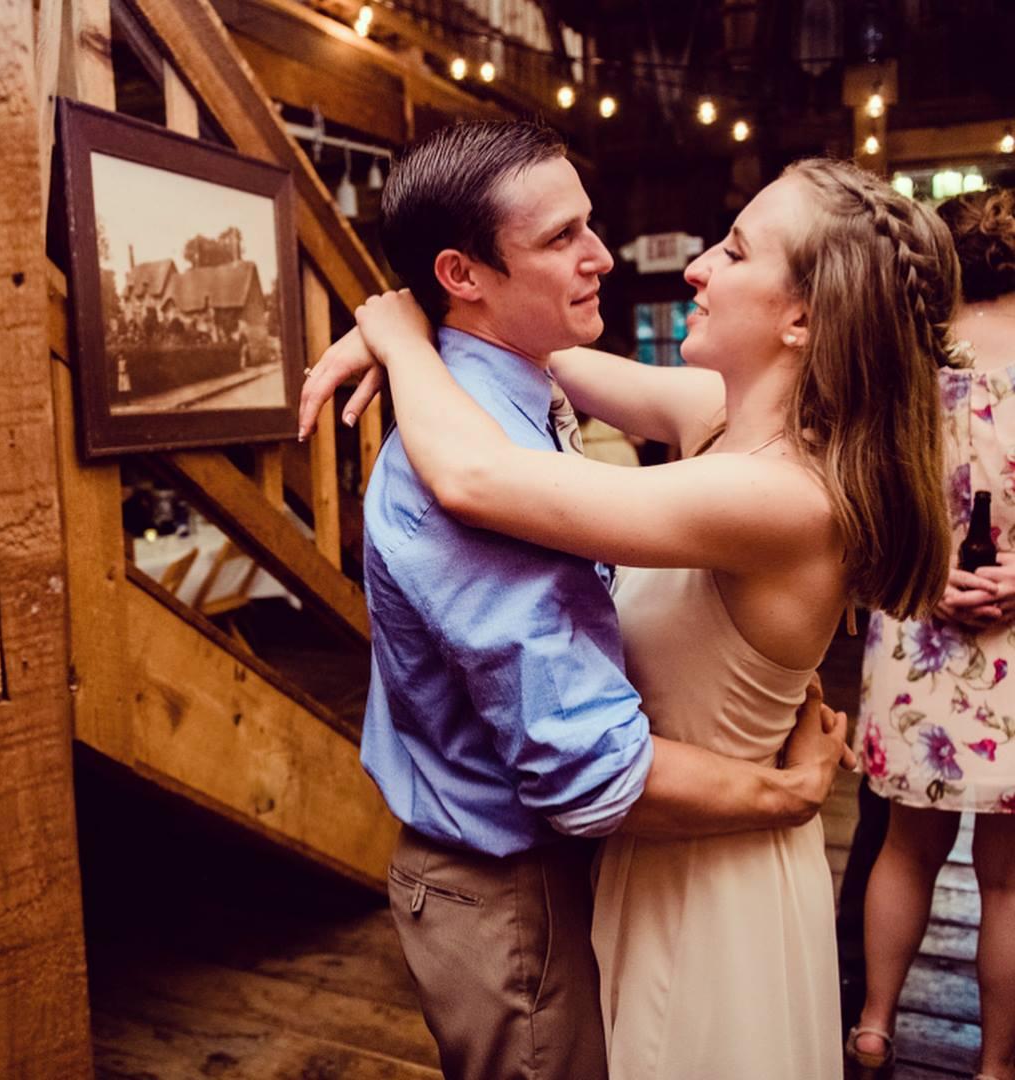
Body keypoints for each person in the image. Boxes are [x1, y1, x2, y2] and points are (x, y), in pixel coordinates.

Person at [300, 147, 957, 1079]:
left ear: (804, 317)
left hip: (707, 884)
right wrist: (422, 318)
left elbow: (479, 477)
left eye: (733, 252)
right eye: (568, 234)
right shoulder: (723, 414)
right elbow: (541, 344)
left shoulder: (782, 494)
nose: (696, 266)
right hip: (654, 853)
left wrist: (405, 338)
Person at [847, 187, 1015, 1080]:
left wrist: (923, 566)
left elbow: (860, 498)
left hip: (919, 629)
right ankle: (994, 1066)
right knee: (1010, 882)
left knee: (904, 848)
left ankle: (873, 1027)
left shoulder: (909, 363)